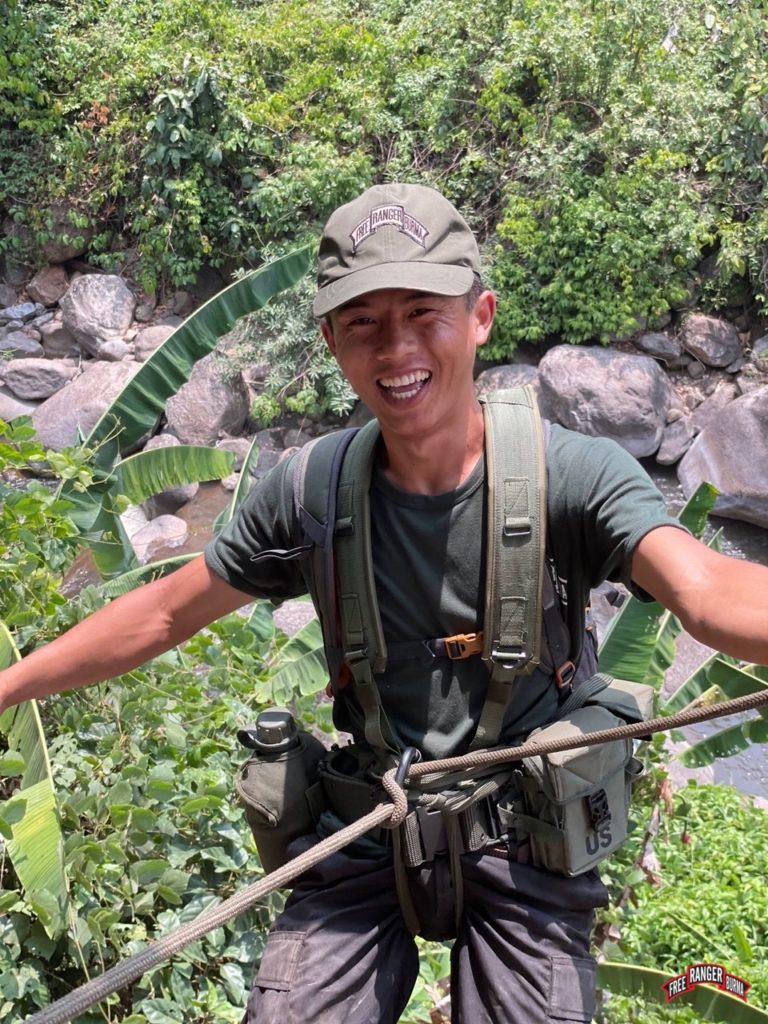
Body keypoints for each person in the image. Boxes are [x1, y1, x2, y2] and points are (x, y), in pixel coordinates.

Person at [1, 182, 766, 1024]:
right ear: (330, 339)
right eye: (363, 321)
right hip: (368, 823)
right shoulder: (308, 492)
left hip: (528, 838)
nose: (395, 349)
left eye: (423, 312)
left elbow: (703, 591)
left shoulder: (572, 475)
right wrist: (8, 687)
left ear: (480, 316)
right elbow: (163, 611)